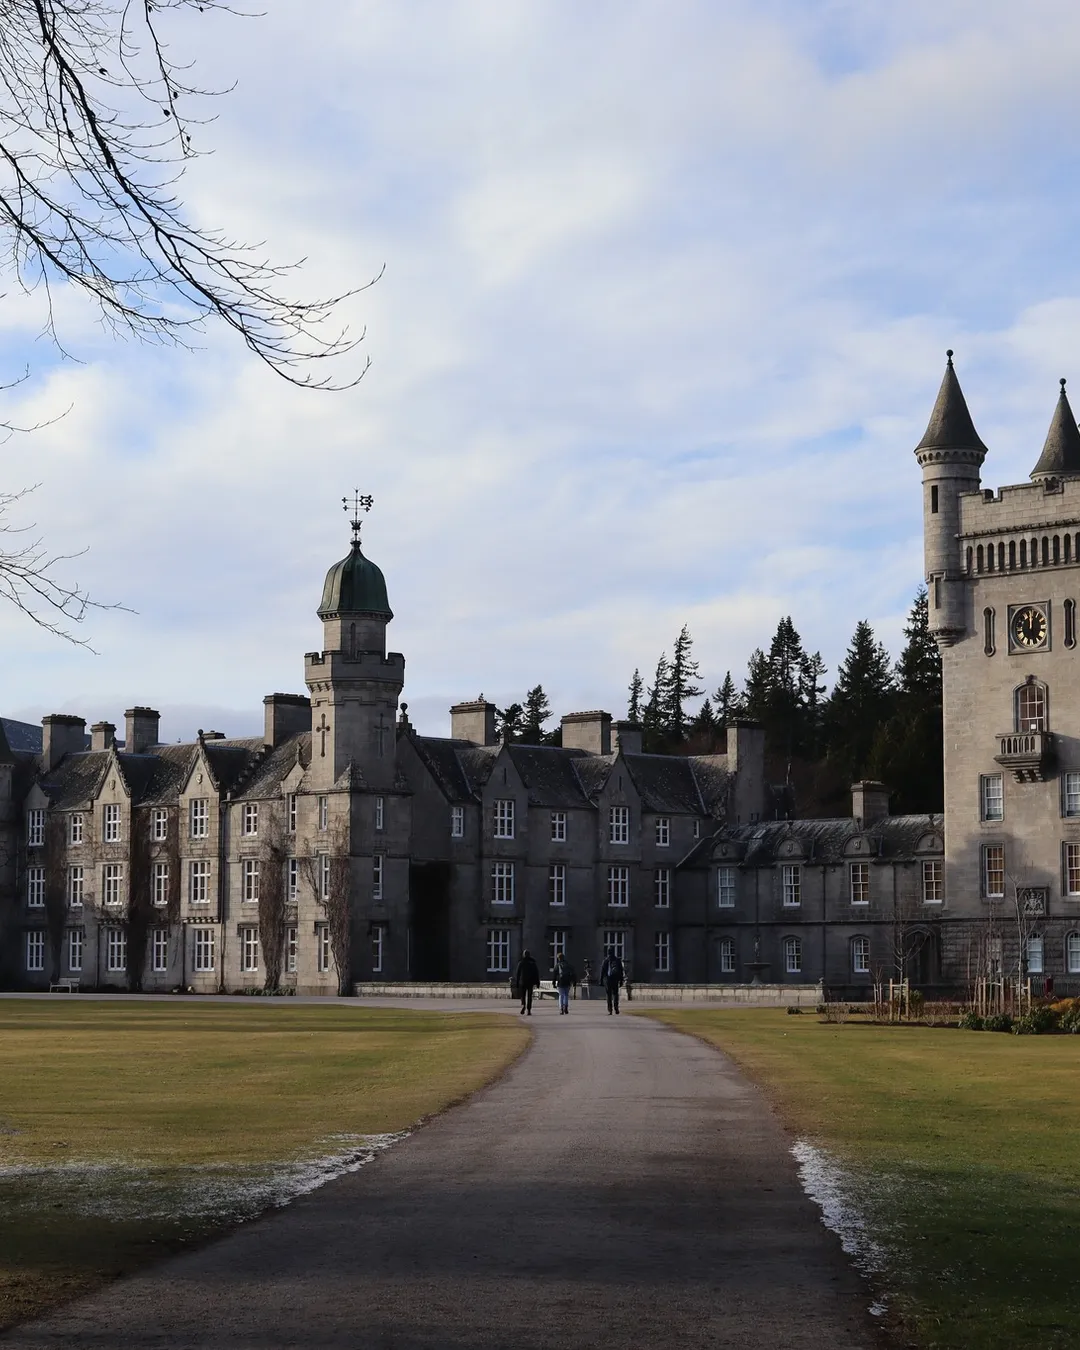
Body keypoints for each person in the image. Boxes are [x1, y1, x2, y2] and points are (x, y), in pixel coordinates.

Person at [514, 948, 541, 1015]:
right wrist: (537, 982)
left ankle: (523, 1004)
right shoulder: (532, 963)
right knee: (529, 996)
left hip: (522, 981)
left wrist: (517, 982)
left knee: (522, 995)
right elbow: (536, 973)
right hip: (530, 982)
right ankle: (529, 1009)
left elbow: (518, 973)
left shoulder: (521, 963)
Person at [600, 948, 625, 1015]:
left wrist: (601, 981)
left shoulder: (605, 960)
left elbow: (602, 972)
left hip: (607, 979)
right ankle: (616, 1007)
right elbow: (621, 971)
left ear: (608, 953)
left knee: (609, 995)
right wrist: (621, 980)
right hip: (615, 979)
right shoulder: (617, 960)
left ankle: (610, 1009)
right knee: (615, 993)